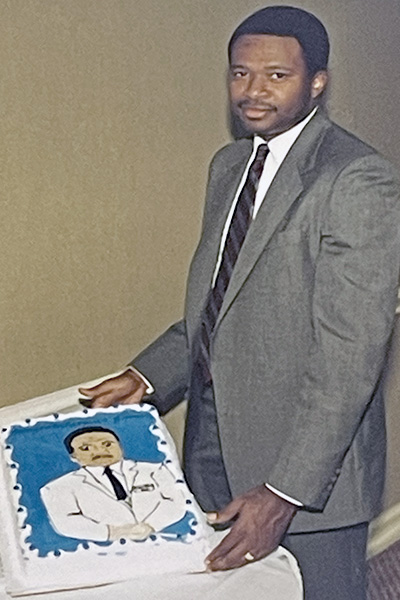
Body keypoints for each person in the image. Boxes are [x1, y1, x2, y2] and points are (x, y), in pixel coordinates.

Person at [79, 6, 400, 599]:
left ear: (317, 82)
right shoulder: (229, 165)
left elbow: (350, 356)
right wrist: (146, 375)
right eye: (240, 74)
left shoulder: (357, 177)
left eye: (277, 76)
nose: (253, 91)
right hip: (211, 442)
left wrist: (283, 492)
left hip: (308, 472)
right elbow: (219, 307)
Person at [40, 426, 187, 542]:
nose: (100, 451)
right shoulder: (58, 488)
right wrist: (114, 532)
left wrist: (151, 525)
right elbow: (66, 522)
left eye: (107, 444)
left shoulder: (155, 470)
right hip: (104, 555)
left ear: (120, 447)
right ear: (73, 456)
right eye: (86, 448)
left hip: (165, 543)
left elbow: (176, 501)